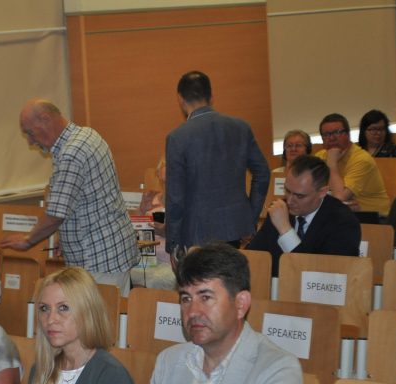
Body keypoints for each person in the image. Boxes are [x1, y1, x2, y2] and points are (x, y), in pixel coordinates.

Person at [83, 243, 302, 384]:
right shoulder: (171, 360)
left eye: (205, 297)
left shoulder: (277, 369)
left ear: (241, 304)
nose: (193, 311)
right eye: (186, 298)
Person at [0, 100, 139, 296]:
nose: (30, 141)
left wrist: (28, 240)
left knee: (99, 316)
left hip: (98, 261)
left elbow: (56, 214)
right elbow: (83, 198)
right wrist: (64, 236)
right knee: (110, 314)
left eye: (30, 133)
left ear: (46, 119)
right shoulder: (87, 135)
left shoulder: (71, 153)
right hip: (110, 252)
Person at [15, 267, 137, 384]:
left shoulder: (111, 378)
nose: (51, 319)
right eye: (44, 309)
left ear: (87, 311)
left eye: (63, 308)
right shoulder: (41, 369)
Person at [165, 70, 270, 252]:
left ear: (180, 99)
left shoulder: (177, 137)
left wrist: (173, 245)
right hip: (235, 227)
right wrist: (249, 215)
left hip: (196, 233)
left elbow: (175, 198)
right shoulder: (241, 128)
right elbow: (263, 173)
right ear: (211, 96)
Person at [246, 155, 361, 276]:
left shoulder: (343, 222)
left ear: (322, 192)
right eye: (287, 191)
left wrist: (285, 231)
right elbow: (252, 255)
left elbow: (321, 277)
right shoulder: (279, 210)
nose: (290, 201)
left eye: (299, 196)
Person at [315, 113, 390, 216]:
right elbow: (308, 193)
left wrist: (331, 163)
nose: (331, 138)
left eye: (337, 132)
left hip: (374, 218)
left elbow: (339, 198)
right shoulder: (320, 156)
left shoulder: (362, 159)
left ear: (348, 134)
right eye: (326, 134)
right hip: (343, 214)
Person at [131, 157, 176, 290]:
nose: (166, 185)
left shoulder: (186, 204)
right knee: (129, 272)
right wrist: (140, 215)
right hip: (147, 258)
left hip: (169, 262)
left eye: (171, 181)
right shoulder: (150, 198)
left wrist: (165, 231)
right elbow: (135, 228)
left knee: (153, 279)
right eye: (163, 181)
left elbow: (190, 237)